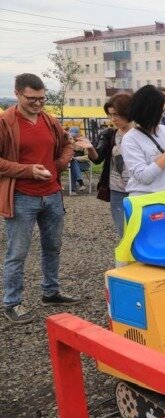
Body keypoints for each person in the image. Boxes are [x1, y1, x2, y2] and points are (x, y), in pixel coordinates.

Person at [1, 73, 79, 324]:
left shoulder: (49, 120)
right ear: (17, 94)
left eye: (42, 99)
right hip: (22, 196)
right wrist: (28, 170)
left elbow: (68, 144)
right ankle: (12, 302)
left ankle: (51, 292)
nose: (37, 103)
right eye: (32, 98)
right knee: (17, 252)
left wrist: (59, 164)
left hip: (52, 195)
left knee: (53, 247)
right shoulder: (5, 122)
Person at [122, 85, 165, 196]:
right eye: (161, 107)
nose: (164, 109)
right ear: (151, 111)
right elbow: (144, 177)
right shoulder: (130, 139)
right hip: (147, 203)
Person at [91, 93, 133, 237]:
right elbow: (97, 159)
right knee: (123, 232)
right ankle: (126, 259)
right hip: (117, 190)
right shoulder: (110, 134)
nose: (113, 119)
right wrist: (90, 148)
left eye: (117, 114)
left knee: (141, 231)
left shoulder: (142, 134)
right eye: (110, 115)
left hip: (139, 189)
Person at [67, 126, 91, 195]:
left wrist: (77, 158)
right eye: (72, 136)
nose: (73, 137)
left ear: (79, 134)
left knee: (73, 165)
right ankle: (81, 182)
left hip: (85, 164)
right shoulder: (69, 141)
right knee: (73, 164)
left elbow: (89, 157)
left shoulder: (85, 142)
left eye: (74, 136)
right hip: (74, 163)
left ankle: (73, 190)